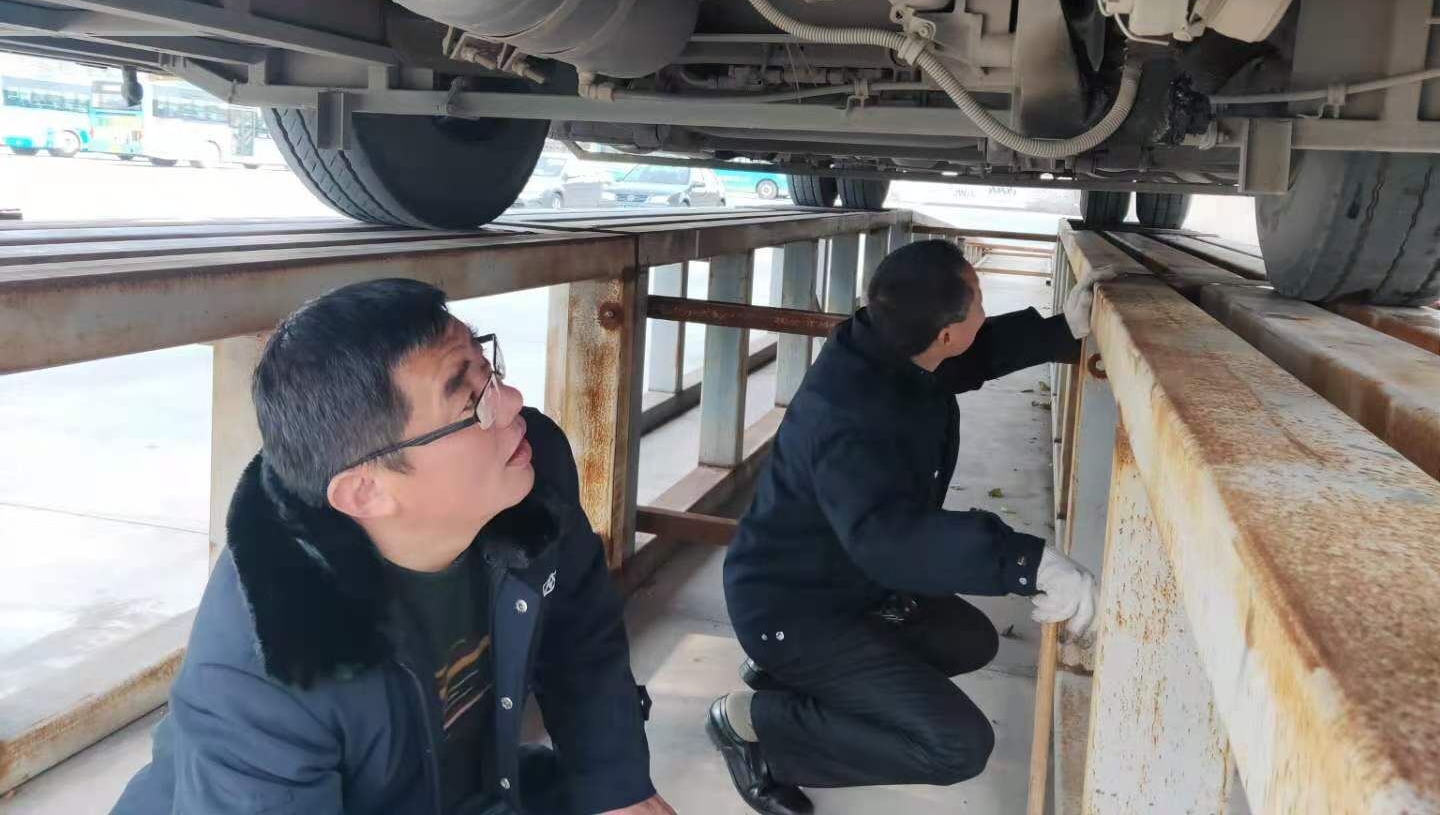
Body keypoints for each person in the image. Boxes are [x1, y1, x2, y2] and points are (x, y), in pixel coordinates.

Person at [114, 278, 675, 815]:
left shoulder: (530, 475)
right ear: (366, 491)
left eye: (489, 373)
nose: (512, 404)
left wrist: (616, 787)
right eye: (471, 404)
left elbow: (581, 634)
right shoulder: (264, 667)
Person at [708, 240, 1112, 815]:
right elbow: (892, 540)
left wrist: (1060, 331)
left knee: (969, 639)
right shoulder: (848, 417)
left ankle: (791, 676)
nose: (984, 310)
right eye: (978, 301)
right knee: (956, 746)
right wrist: (1027, 562)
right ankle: (757, 729)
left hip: (842, 580)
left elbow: (966, 357)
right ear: (944, 333)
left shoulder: (883, 345)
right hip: (791, 608)